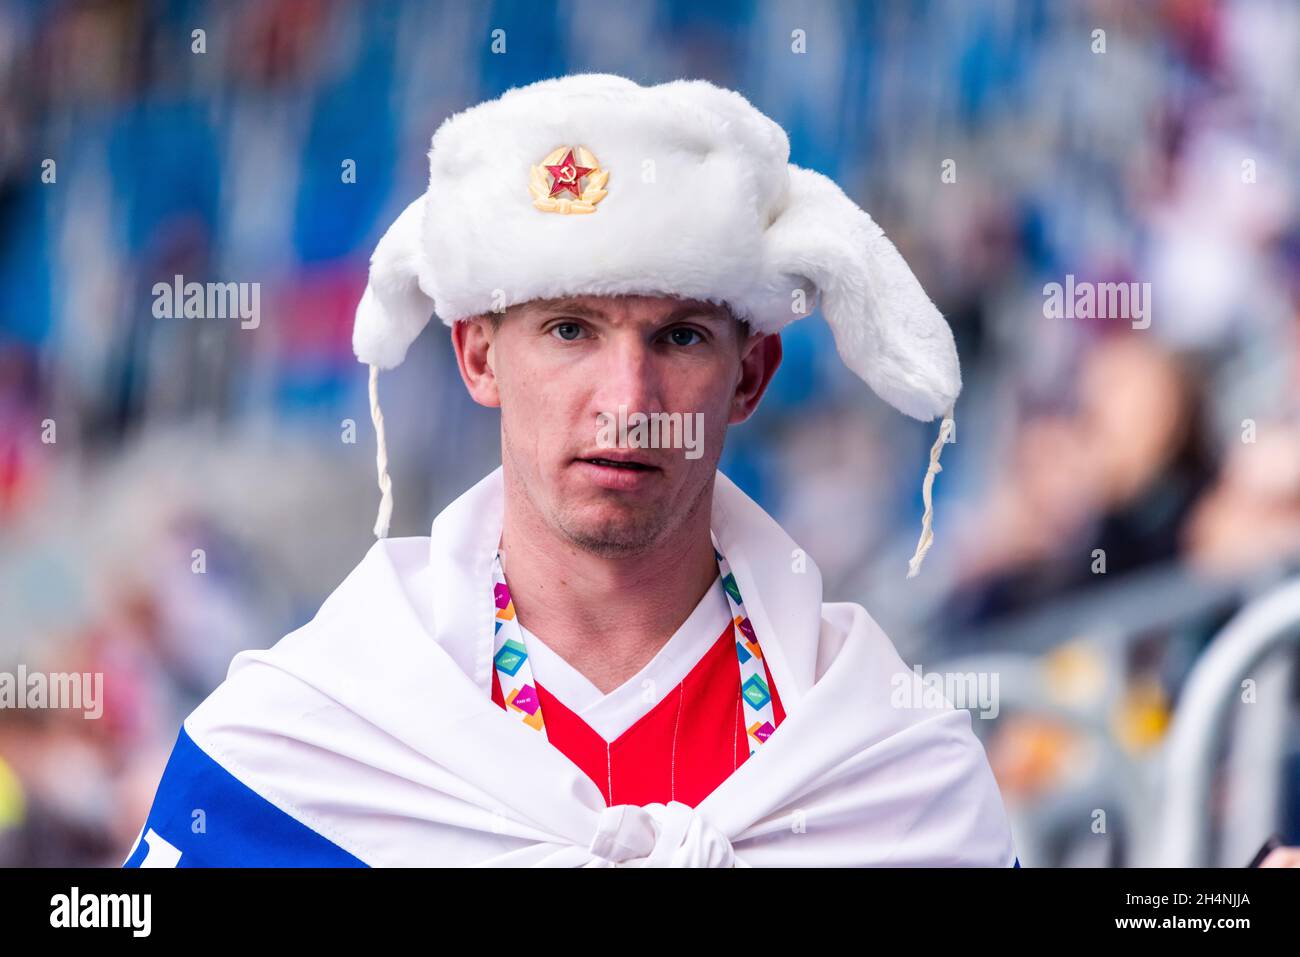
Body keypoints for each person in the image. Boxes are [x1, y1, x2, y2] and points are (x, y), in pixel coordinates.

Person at [123, 73, 1018, 867]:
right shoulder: (299, 750)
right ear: (477, 356)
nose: (627, 399)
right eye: (569, 330)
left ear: (750, 376)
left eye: (680, 335)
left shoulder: (887, 769)